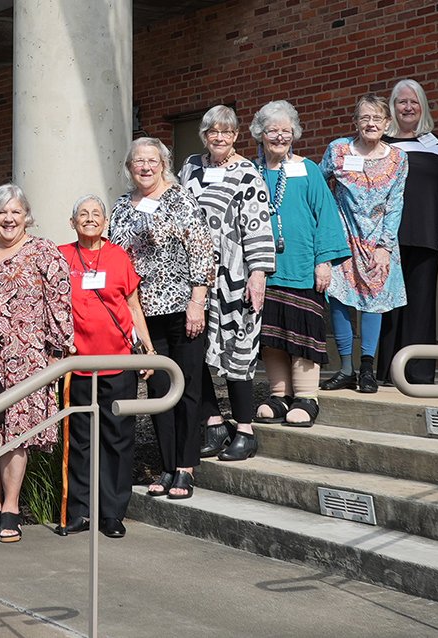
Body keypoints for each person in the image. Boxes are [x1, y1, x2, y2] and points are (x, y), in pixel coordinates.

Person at [109, 137, 213, 499]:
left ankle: (185, 467)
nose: (145, 167)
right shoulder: (121, 206)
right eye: (138, 161)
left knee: (186, 389)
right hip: (142, 313)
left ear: (163, 163)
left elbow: (201, 250)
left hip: (183, 310)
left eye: (152, 160)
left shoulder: (180, 198)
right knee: (157, 390)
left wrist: (197, 301)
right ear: (129, 166)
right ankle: (167, 466)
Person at [0, 183, 73, 543]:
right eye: (1, 212)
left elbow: (59, 302)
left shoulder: (44, 251)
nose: (8, 219)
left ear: (26, 215)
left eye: (15, 211)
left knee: (15, 434)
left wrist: (58, 353)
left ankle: (11, 507)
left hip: (27, 358)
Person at [179, 105, 275, 462]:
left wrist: (258, 273)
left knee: (240, 349)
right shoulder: (190, 166)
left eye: (227, 132)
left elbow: (259, 225)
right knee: (194, 349)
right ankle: (215, 422)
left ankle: (245, 430)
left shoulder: (247, 172)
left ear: (236, 136)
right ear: (203, 135)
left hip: (235, 277)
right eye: (212, 131)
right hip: (194, 277)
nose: (219, 137)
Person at [247, 101, 351, 426]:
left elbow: (327, 217)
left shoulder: (308, 170)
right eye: (272, 130)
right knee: (272, 334)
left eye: (285, 130)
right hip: (265, 270)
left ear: (294, 133)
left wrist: (324, 261)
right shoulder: (251, 172)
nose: (279, 136)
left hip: (304, 267)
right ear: (260, 135)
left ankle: (307, 396)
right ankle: (279, 395)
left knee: (302, 332)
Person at [55, 194, 153, 538]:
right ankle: (78, 512)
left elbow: (132, 305)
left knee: (117, 439)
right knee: (78, 441)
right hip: (77, 366)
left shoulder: (118, 256)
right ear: (72, 222)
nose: (90, 218)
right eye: (83, 213)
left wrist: (148, 350)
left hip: (118, 362)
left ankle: (112, 512)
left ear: (106, 221)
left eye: (97, 213)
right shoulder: (61, 256)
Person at [377, 79, 438, 385]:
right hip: (386, 239)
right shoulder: (381, 144)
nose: (407, 107)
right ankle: (387, 371)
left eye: (413, 101)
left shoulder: (436, 144)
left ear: (422, 106)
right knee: (389, 305)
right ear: (393, 107)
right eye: (401, 101)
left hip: (427, 234)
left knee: (422, 303)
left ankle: (418, 372)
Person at [320, 94, 408, 394]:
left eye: (377, 118)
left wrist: (385, 246)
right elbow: (319, 187)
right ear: (355, 122)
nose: (370, 123)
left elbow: (396, 204)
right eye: (364, 118)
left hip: (379, 241)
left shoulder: (398, 158)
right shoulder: (338, 150)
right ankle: (345, 368)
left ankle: (367, 368)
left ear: (387, 123)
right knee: (340, 300)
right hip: (342, 237)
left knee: (376, 301)